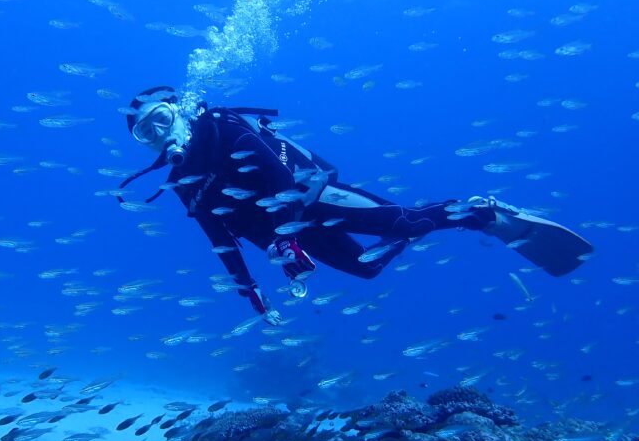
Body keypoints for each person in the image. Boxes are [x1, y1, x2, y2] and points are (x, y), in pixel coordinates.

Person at [120, 86, 593, 325]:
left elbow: (280, 177)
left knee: (407, 223)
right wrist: (251, 291)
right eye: (145, 133)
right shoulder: (182, 183)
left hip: (311, 200)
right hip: (290, 238)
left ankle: (484, 214)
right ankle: (419, 231)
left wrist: (283, 237)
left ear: (179, 110)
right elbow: (219, 239)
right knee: (367, 270)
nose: (158, 133)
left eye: (161, 118)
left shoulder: (223, 129)